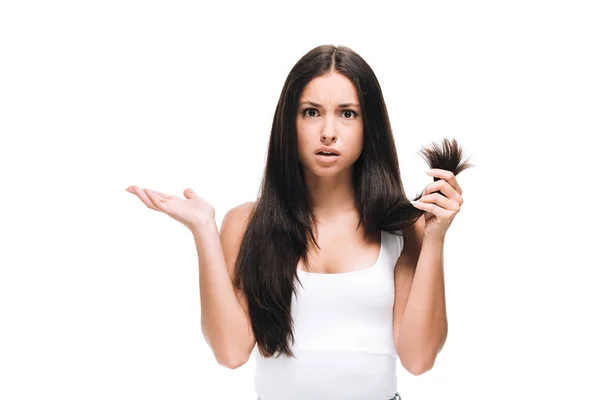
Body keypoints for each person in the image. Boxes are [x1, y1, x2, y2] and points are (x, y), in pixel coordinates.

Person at [126, 44, 472, 400]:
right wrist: (203, 231)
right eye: (311, 112)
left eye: (348, 114)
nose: (328, 132)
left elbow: (419, 359)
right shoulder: (246, 224)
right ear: (289, 122)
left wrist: (435, 239)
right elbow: (230, 353)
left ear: (371, 126)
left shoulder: (401, 228)